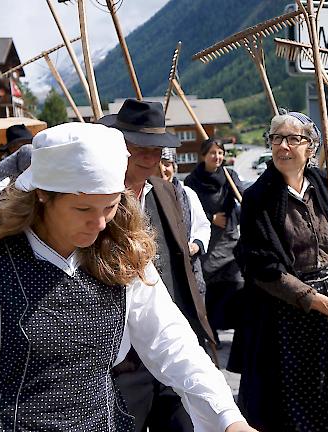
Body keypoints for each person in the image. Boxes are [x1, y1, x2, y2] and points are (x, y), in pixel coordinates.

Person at [0, 122, 255, 431]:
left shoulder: (121, 255)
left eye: (110, 206)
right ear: (43, 195)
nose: (100, 223)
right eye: (83, 209)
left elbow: (171, 342)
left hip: (99, 421)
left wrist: (228, 418)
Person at [234, 111, 328, 431]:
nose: (284, 146)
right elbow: (262, 267)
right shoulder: (258, 198)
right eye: (276, 139)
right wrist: (327, 306)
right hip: (287, 317)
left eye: (294, 139)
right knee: (296, 414)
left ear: (311, 147)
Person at [98, 99, 218, 432]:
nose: (150, 159)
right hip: (122, 358)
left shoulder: (168, 192)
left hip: (170, 342)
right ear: (119, 147)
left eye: (156, 150)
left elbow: (180, 259)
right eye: (140, 149)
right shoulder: (96, 199)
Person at [184, 138, 244, 345]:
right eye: (212, 153)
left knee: (237, 283)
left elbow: (242, 194)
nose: (217, 157)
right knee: (209, 287)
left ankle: (238, 329)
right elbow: (189, 211)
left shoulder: (229, 175)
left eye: (220, 153)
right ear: (203, 156)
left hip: (229, 239)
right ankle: (212, 331)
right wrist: (211, 218)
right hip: (209, 240)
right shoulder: (193, 180)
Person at [155, 146, 211, 301]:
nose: (162, 169)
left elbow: (202, 225)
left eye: (167, 164)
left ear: (174, 167)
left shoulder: (187, 194)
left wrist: (195, 245)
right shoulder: (146, 195)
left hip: (190, 266)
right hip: (160, 273)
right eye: (157, 164)